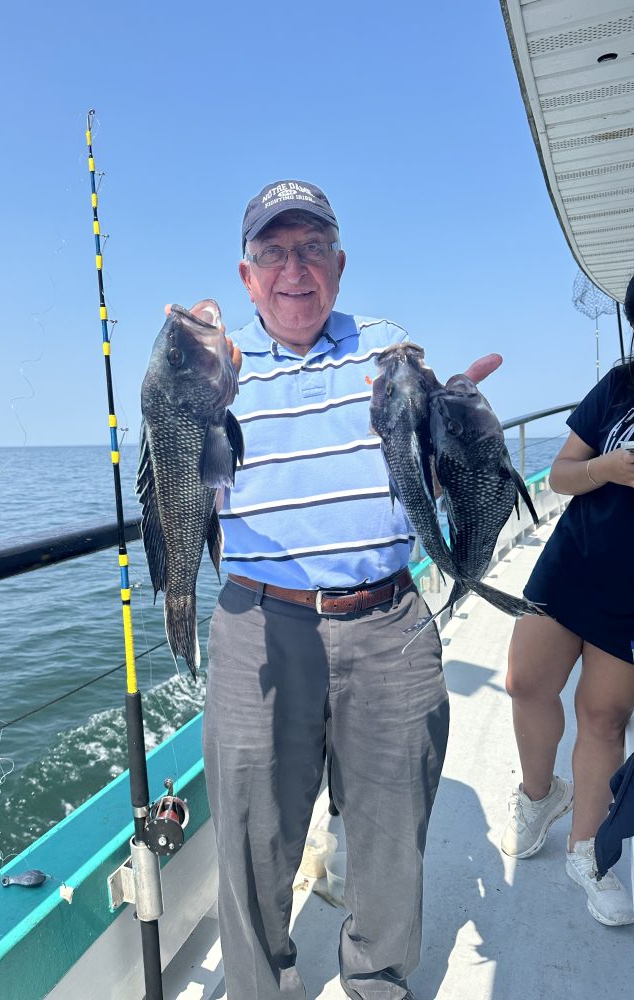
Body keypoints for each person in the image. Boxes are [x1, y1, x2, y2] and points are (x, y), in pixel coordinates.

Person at [202, 180, 500, 1000]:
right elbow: (178, 468)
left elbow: (435, 465)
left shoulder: (387, 348)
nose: (293, 268)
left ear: (339, 262)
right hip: (258, 623)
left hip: (386, 617)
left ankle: (377, 984)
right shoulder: (217, 369)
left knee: (390, 834)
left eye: (310, 248)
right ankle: (262, 988)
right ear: (247, 274)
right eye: (273, 252)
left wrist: (464, 440)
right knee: (253, 836)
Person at [501, 275, 634, 927]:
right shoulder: (615, 388)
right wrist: (604, 470)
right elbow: (558, 475)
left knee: (604, 719)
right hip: (572, 563)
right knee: (524, 681)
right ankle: (539, 793)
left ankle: (590, 853)